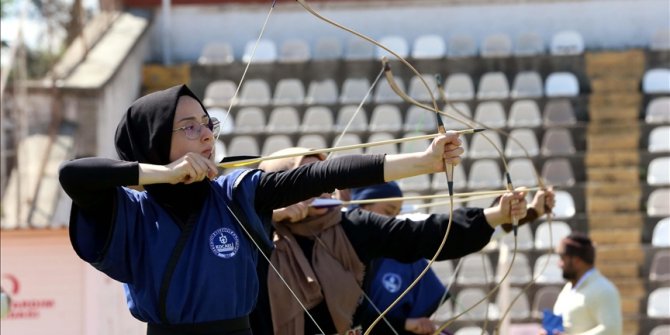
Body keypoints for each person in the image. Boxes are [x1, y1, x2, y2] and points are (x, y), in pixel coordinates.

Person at [58, 84, 465, 335]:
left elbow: (321, 175)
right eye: (189, 127)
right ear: (155, 139)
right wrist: (163, 176)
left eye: (206, 123)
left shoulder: (236, 191)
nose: (206, 135)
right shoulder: (131, 209)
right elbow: (74, 175)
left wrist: (422, 162)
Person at [251, 147, 530, 335]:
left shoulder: (352, 226)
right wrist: (265, 216)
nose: (321, 189)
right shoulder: (248, 229)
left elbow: (419, 236)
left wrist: (494, 215)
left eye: (322, 180)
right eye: (305, 181)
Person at [348, 181, 450, 335]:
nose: (393, 220)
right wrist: (404, 324)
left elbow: (419, 320)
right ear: (363, 208)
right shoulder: (337, 249)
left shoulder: (406, 254)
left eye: (397, 214)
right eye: (388, 212)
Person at [541, 232, 623, 335]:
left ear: (576, 261)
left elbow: (612, 330)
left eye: (562, 259)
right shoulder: (568, 288)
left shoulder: (604, 290)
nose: (559, 265)